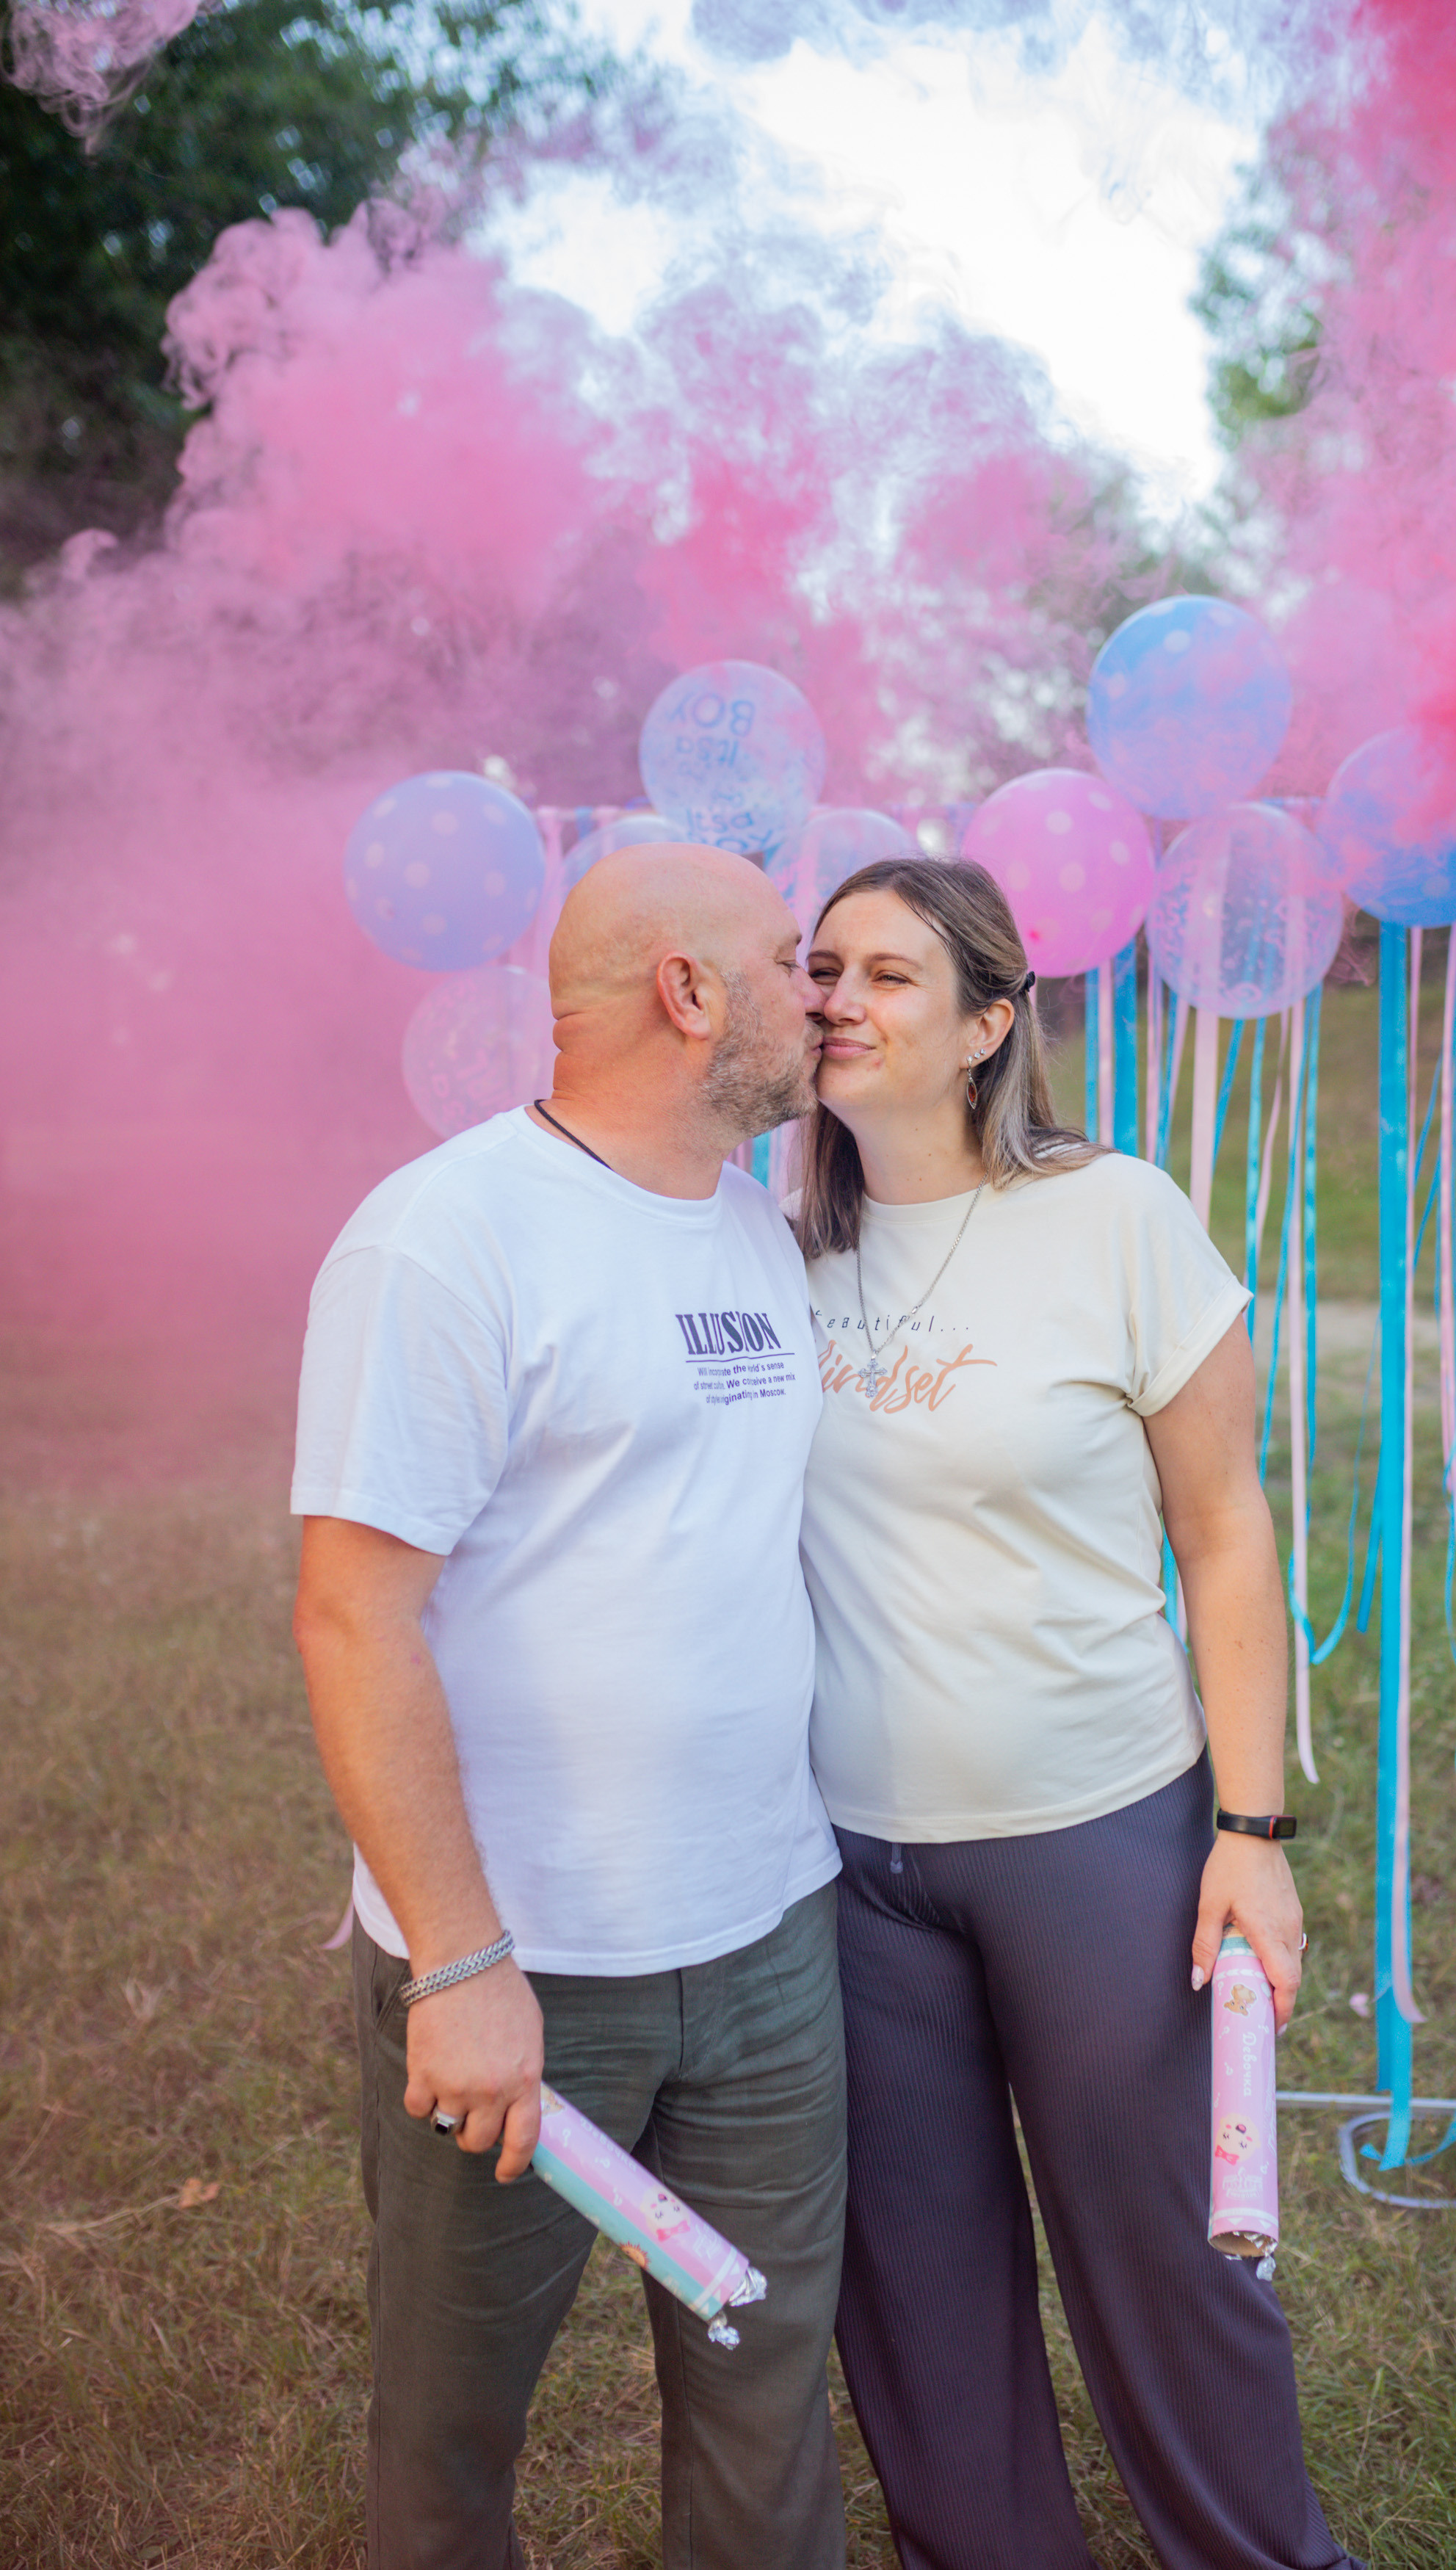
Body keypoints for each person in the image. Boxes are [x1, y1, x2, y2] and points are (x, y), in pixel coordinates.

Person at [793, 854, 1362, 2570]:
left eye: (890, 974)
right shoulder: (770, 1247)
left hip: (1094, 1828)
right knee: (914, 2281)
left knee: (1165, 2252)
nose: (838, 999)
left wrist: (1249, 1830)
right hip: (844, 1856)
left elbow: (1226, 1529)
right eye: (823, 967)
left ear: (988, 1024)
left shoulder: (1116, 1216)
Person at [291, 844, 847, 2570]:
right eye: (793, 960)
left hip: (767, 1941)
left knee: (767, 2401)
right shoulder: (444, 1237)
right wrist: (461, 1965)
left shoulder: (750, 1222)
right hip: (524, 1968)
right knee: (453, 2431)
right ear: (690, 992)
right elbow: (352, 1613)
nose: (822, 993)